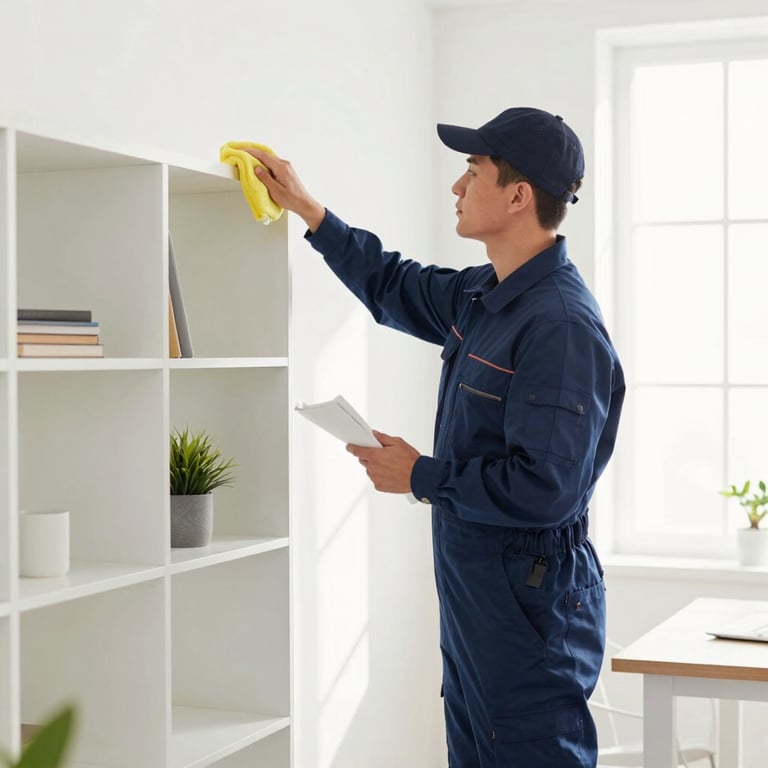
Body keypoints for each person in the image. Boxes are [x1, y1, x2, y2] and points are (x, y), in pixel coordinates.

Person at [245, 106, 625, 768]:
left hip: (529, 611)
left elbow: (547, 489)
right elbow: (395, 285)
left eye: (472, 170)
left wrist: (421, 475)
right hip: (480, 594)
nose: (457, 186)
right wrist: (310, 211)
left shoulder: (561, 328)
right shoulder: (487, 296)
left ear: (517, 195)